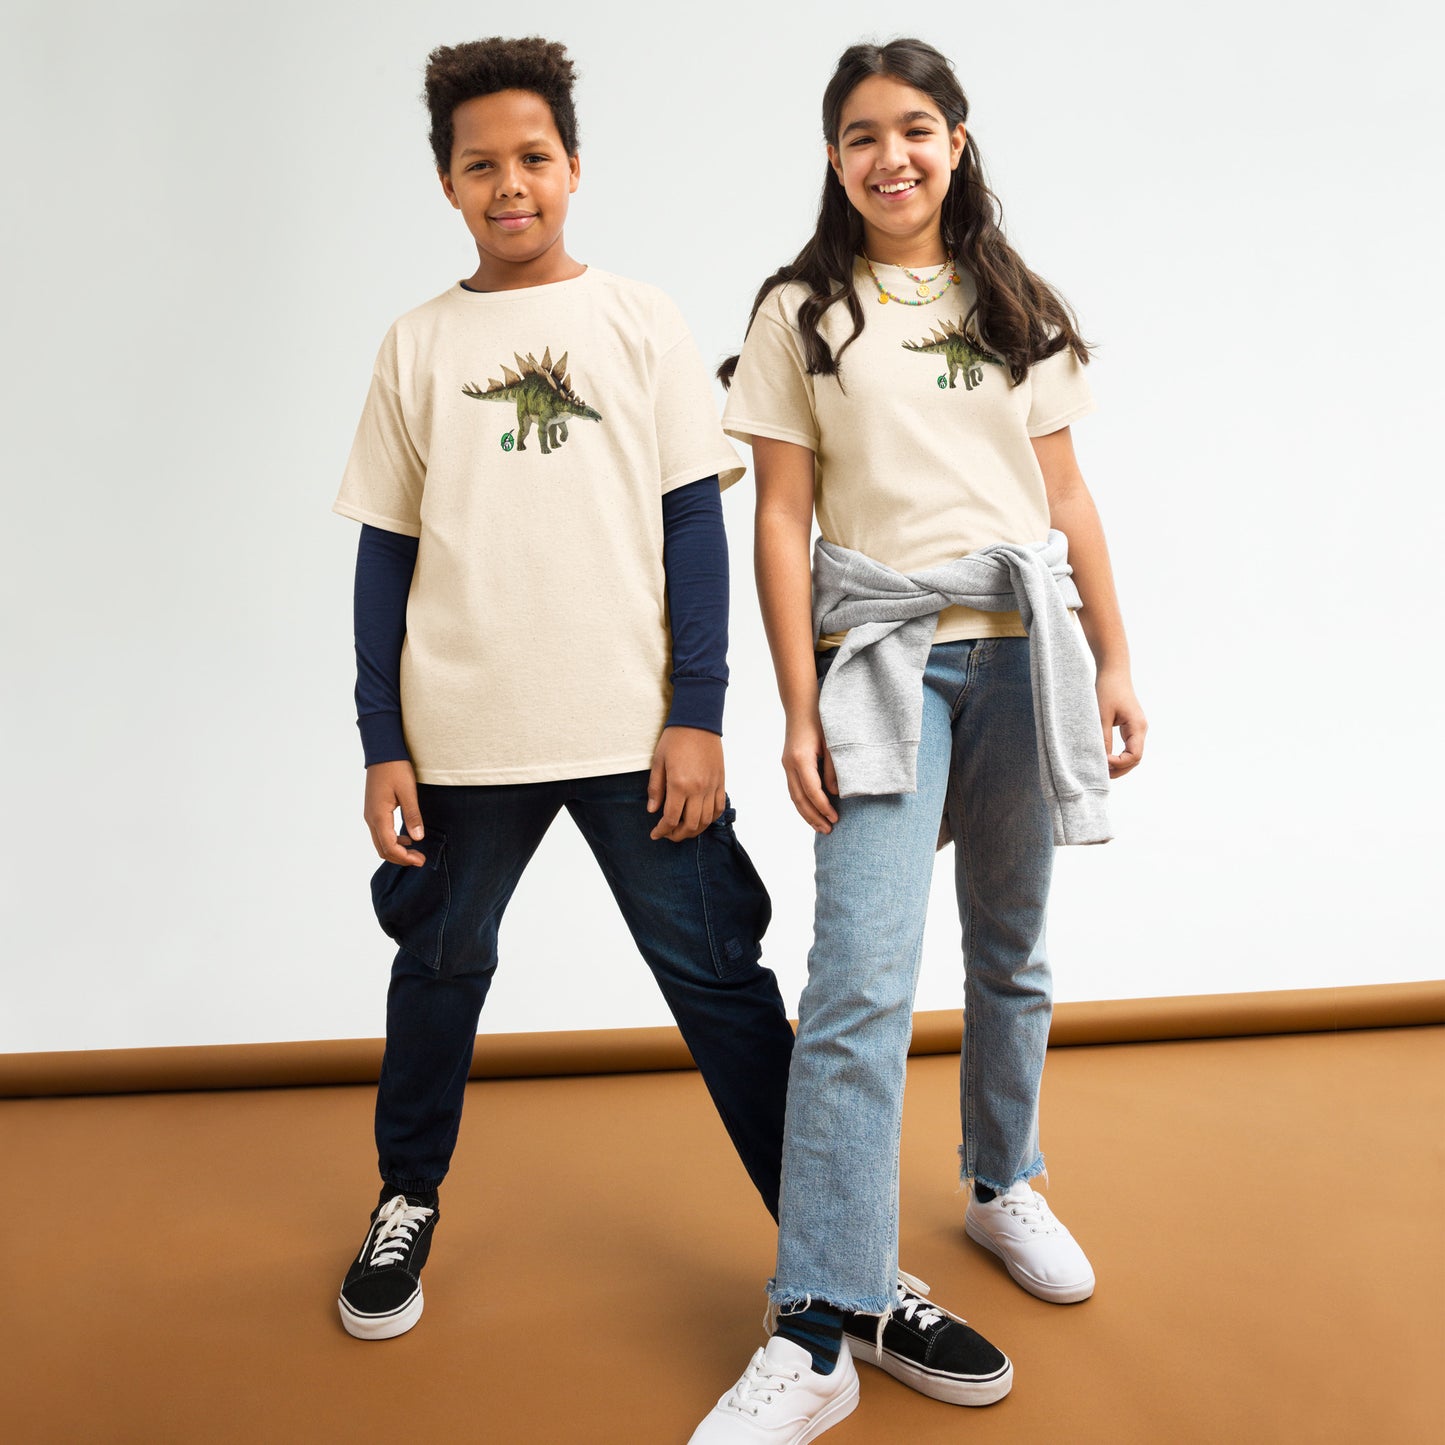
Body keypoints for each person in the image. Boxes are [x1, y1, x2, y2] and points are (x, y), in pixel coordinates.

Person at [330, 38, 1008, 1406]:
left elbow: (694, 528)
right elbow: (384, 555)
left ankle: (849, 1270)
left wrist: (697, 714)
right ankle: (406, 1195)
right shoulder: (417, 345)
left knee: (725, 990)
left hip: (637, 740)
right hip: (461, 739)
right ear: (447, 183)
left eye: (533, 158)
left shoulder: (637, 321)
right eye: (480, 164)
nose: (509, 184)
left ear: (573, 167)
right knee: (439, 967)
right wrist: (380, 738)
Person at [689, 37, 1147, 1443]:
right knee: (858, 983)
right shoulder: (801, 313)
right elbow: (779, 519)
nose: (889, 156)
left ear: (955, 141)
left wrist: (1116, 656)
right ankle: (817, 1322)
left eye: (913, 129)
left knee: (1011, 944)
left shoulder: (1016, 301)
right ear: (834, 160)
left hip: (1024, 653)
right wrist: (794, 704)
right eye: (860, 136)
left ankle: (1004, 1182)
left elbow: (1066, 499)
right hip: (886, 657)